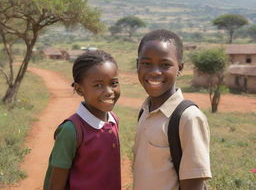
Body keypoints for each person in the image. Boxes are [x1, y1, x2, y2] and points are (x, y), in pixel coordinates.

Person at [133, 29, 212, 190]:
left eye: (165, 65)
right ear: (137, 65)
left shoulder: (188, 118)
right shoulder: (145, 111)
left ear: (180, 68)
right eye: (146, 63)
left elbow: (194, 183)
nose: (155, 72)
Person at [43, 50, 121, 190]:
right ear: (79, 89)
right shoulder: (71, 130)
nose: (109, 91)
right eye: (98, 85)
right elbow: (56, 183)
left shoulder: (113, 120)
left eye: (114, 83)